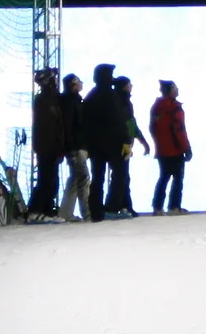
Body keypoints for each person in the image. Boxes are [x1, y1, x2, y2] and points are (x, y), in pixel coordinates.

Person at [80, 64, 125, 223]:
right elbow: (118, 120)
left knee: (98, 178)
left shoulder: (91, 96)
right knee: (120, 174)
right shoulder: (111, 95)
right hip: (113, 144)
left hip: (96, 145)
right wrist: (126, 141)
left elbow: (84, 123)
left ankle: (96, 211)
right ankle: (111, 208)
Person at [108, 76, 151, 216]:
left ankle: (125, 204)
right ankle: (113, 206)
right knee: (120, 175)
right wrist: (135, 141)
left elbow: (132, 125)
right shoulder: (121, 103)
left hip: (124, 143)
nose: (131, 86)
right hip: (121, 143)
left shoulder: (123, 102)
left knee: (123, 175)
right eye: (129, 84)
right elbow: (129, 125)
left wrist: (141, 141)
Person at [27, 70, 67, 219]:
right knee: (46, 180)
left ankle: (46, 210)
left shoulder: (51, 98)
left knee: (51, 180)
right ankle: (36, 211)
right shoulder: (45, 100)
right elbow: (50, 126)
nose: (56, 81)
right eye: (53, 79)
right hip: (47, 146)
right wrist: (57, 145)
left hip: (49, 146)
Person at [150, 80, 191, 214]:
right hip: (175, 148)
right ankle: (174, 206)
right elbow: (179, 129)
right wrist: (186, 148)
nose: (178, 90)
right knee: (178, 178)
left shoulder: (157, 107)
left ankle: (157, 206)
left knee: (164, 177)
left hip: (162, 149)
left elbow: (153, 128)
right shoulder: (173, 107)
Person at [57, 73, 90, 221]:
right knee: (82, 177)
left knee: (76, 178)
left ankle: (66, 212)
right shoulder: (71, 102)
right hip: (76, 147)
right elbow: (69, 126)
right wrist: (71, 147)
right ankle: (85, 212)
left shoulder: (72, 101)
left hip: (76, 146)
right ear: (74, 84)